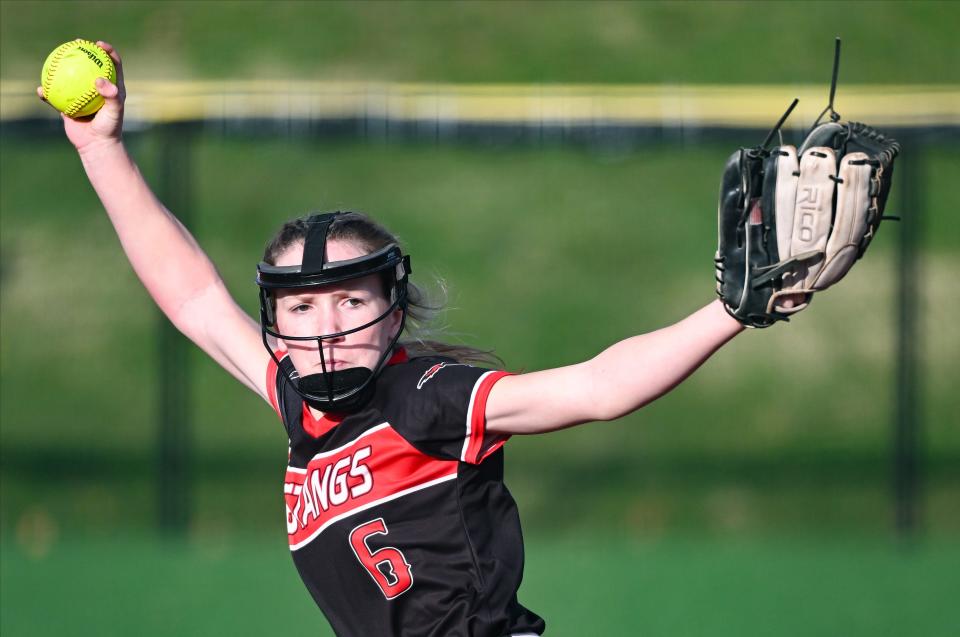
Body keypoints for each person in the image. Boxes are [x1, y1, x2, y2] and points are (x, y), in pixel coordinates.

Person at [42, 41, 743, 637]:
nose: (329, 328)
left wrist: (733, 309)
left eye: (351, 300)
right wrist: (102, 150)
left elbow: (599, 387)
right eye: (304, 306)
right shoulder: (298, 405)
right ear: (276, 325)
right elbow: (193, 296)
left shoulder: (424, 397)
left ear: (392, 312)